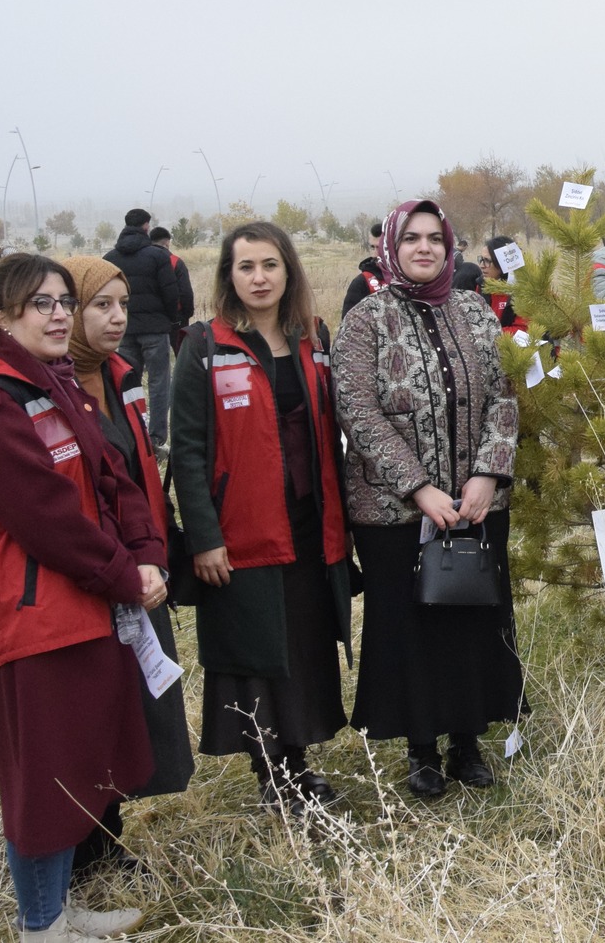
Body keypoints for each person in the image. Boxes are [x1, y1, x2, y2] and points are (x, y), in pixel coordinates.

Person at [0, 254, 163, 940]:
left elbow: (114, 477)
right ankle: (40, 923)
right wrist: (125, 576)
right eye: (41, 303)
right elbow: (46, 517)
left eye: (65, 300)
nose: (60, 313)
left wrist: (148, 552)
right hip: (29, 612)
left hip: (84, 603)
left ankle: (59, 908)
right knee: (44, 776)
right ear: (1, 318)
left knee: (78, 763)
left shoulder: (58, 384)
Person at [334, 200, 523, 799]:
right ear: (391, 247)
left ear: (449, 247)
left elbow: (504, 394)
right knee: (410, 625)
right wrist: (418, 487)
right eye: (411, 238)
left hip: (474, 504)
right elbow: (357, 410)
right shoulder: (366, 320)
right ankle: (421, 746)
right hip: (394, 510)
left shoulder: (474, 310)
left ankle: (467, 739)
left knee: (471, 618)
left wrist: (488, 474)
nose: (424, 248)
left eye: (434, 239)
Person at [169, 222, 352, 810]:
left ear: (288, 270)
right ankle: (275, 773)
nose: (259, 277)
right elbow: (188, 450)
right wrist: (204, 536)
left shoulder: (314, 337)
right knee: (257, 648)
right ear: (229, 276)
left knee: (302, 643)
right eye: (245, 266)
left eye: (270, 265)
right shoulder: (204, 345)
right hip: (242, 528)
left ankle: (298, 758)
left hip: (309, 522)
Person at [59, 256, 194, 882]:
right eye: (101, 305)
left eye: (123, 305)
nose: (118, 319)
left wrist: (155, 552)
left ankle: (106, 838)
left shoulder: (119, 376)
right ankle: (83, 849)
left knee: (134, 705)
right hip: (91, 577)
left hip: (139, 570)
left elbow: (137, 472)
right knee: (93, 712)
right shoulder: (42, 390)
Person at [104, 208, 184, 448]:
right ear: (147, 226)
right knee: (159, 382)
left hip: (124, 329)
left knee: (128, 382)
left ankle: (131, 433)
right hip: (155, 329)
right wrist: (171, 320)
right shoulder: (158, 256)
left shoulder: (110, 258)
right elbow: (170, 292)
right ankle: (156, 438)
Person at [147, 226, 195, 348]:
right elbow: (185, 292)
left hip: (150, 317)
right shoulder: (175, 261)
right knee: (181, 350)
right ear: (167, 242)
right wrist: (187, 314)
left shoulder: (144, 261)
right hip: (176, 316)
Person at [482, 235, 527, 334]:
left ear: (502, 263)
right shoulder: (481, 286)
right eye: (481, 259)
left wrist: (488, 336)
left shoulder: (522, 292)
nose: (482, 265)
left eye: (487, 261)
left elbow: (523, 330)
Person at [342, 222, 387, 319]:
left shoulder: (409, 279)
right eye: (372, 247)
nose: (375, 254)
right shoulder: (361, 283)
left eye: (381, 248)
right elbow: (347, 324)